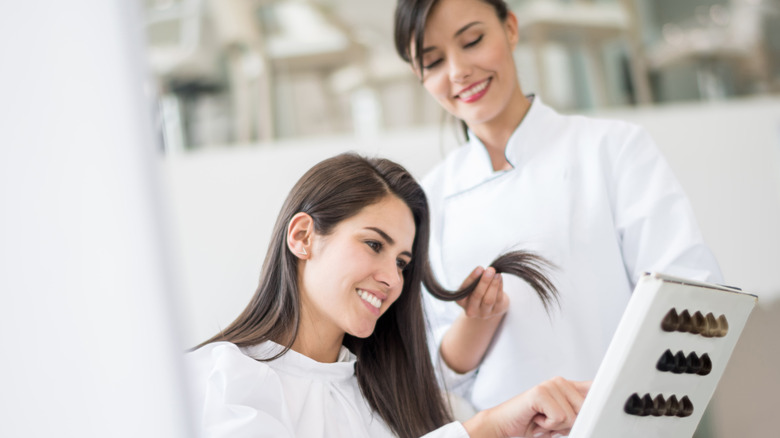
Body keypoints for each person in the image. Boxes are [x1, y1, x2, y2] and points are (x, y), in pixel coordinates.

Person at [393, 0, 723, 412]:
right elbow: (428, 370)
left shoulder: (613, 149)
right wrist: (476, 322)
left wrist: (611, 407)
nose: (458, 71)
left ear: (510, 29)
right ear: (419, 75)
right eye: (433, 62)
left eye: (472, 40)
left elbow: (690, 298)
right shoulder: (427, 201)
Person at [185, 153, 590, 438]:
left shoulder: (384, 397)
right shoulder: (222, 379)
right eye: (374, 245)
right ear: (303, 236)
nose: (393, 280)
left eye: (401, 262)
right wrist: (484, 430)